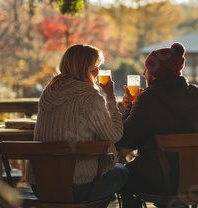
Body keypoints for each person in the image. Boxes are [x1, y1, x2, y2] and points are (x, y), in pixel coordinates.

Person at [116, 42, 198, 207]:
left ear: (154, 73)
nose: (143, 73)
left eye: (146, 69)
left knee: (121, 175)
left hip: (161, 180)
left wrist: (129, 110)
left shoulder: (148, 98)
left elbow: (126, 140)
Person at [28, 44, 128, 203]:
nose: (97, 72)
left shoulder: (49, 92)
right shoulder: (89, 97)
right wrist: (110, 96)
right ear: (89, 69)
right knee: (123, 171)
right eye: (96, 67)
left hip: (41, 186)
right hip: (78, 187)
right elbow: (114, 135)